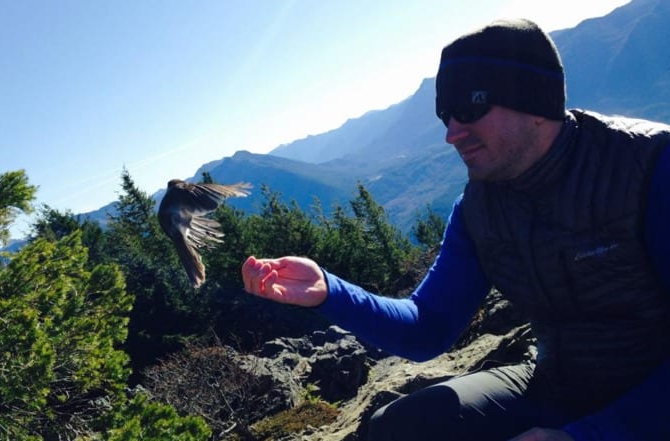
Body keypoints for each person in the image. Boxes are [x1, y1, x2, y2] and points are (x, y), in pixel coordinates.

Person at [241, 18, 670, 441]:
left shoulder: (649, 167)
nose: (451, 133)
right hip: (558, 386)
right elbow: (427, 326)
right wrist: (328, 292)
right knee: (400, 427)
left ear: (534, 101)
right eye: (445, 114)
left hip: (650, 398)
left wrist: (593, 434)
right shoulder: (481, 208)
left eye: (469, 108)